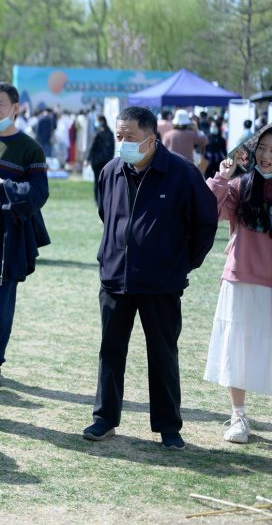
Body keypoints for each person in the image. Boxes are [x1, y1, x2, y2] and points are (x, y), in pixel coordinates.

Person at [85, 106, 218, 450]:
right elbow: (107, 214)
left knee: (162, 353)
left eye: (130, 136)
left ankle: (168, 426)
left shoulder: (181, 173)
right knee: (110, 350)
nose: (123, 142)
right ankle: (105, 418)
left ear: (151, 137)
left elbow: (205, 223)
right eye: (119, 136)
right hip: (116, 277)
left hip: (161, 282)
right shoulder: (111, 171)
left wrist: (183, 263)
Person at [0, 82, 50, 388]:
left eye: (0, 104)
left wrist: (6, 187)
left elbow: (39, 193)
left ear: (15, 108)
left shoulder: (30, 148)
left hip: (7, 241)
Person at [203, 126, 272, 444]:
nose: (268, 156)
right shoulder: (241, 186)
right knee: (237, 349)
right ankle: (239, 417)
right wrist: (221, 176)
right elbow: (208, 208)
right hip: (241, 277)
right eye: (263, 148)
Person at [88, 115, 116, 206]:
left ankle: (97, 200)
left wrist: (88, 159)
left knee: (97, 181)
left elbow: (92, 148)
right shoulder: (110, 133)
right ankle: (105, 200)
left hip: (97, 162)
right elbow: (112, 148)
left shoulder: (98, 134)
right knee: (106, 182)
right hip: (107, 162)